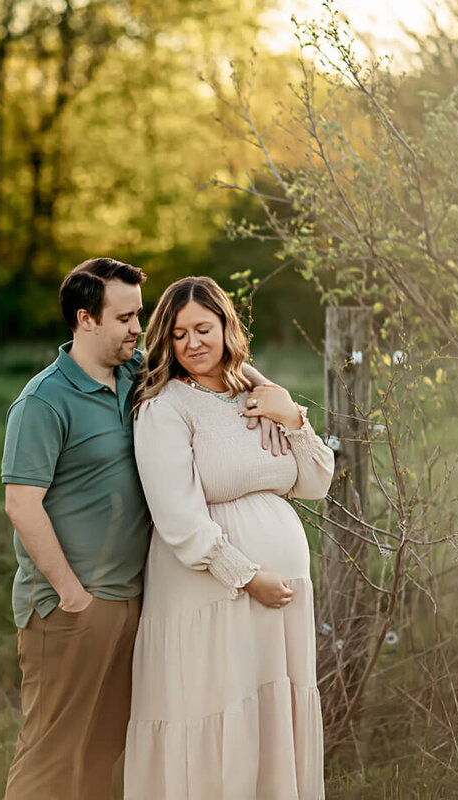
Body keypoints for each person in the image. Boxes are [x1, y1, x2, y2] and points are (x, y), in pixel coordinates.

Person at [0, 259, 284, 800]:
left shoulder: (136, 377)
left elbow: (223, 358)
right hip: (70, 607)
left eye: (139, 315)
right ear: (85, 319)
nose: (138, 328)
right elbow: (21, 505)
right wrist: (71, 595)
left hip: (135, 598)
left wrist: (274, 396)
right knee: (52, 756)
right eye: (125, 317)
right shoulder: (43, 401)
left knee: (104, 753)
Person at [125, 276, 336, 800]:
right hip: (213, 589)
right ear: (165, 343)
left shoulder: (257, 395)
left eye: (203, 328)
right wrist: (247, 576)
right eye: (177, 334)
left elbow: (315, 482)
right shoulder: (163, 407)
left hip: (276, 597)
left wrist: (292, 417)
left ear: (226, 327)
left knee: (267, 715)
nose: (192, 343)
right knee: (215, 711)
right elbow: (178, 518)